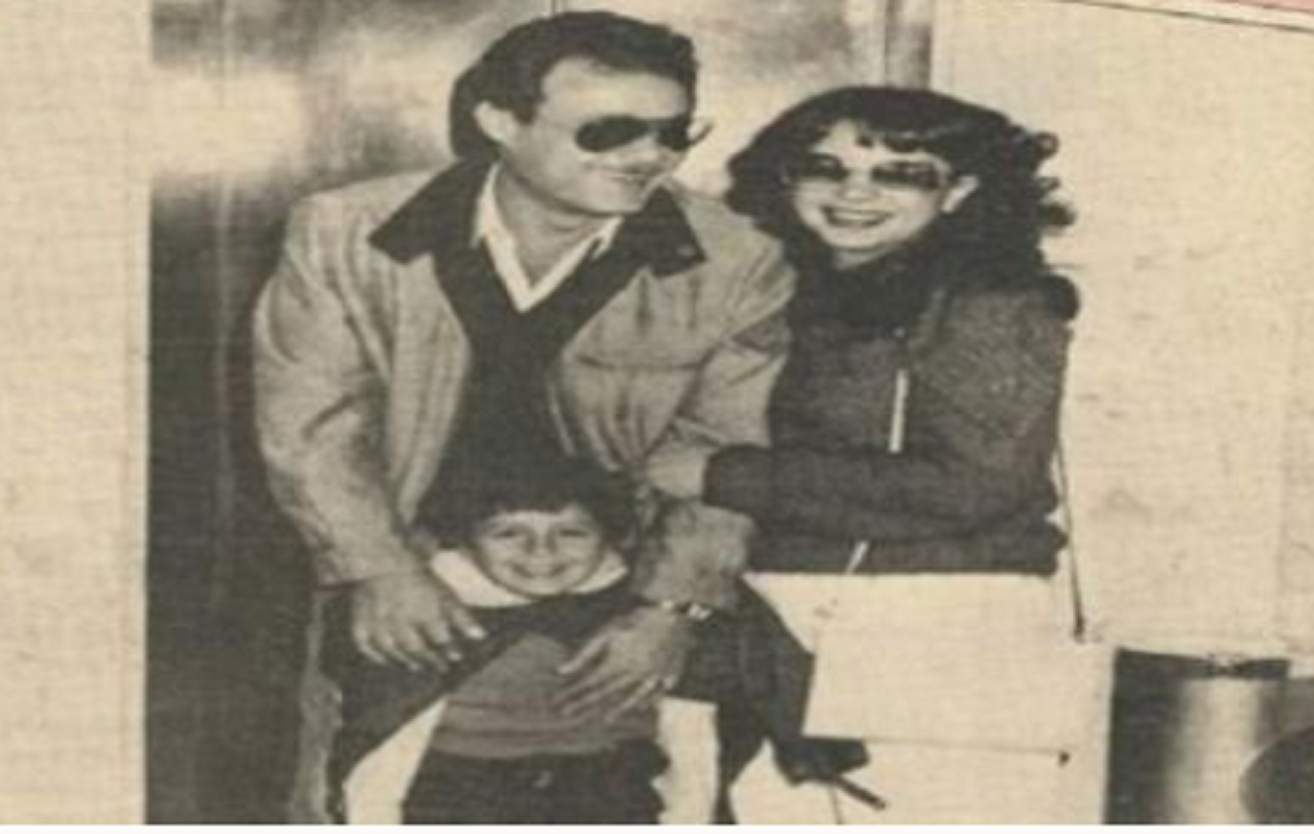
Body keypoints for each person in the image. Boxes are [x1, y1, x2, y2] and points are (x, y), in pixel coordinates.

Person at [252, 11, 795, 821]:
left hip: (624, 592)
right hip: (408, 578)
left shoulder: (736, 260)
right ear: (500, 121)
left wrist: (670, 609)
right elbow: (312, 424)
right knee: (374, 796)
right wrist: (381, 571)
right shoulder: (347, 233)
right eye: (609, 131)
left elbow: (728, 449)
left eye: (672, 132)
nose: (648, 156)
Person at [701, 86, 1083, 822]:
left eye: (900, 174)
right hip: (790, 617)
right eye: (826, 168)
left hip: (941, 620)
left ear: (960, 189)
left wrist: (723, 475)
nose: (854, 193)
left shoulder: (990, 300)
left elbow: (975, 484)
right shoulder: (783, 291)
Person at [322, 455, 869, 824]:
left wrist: (811, 745)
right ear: (466, 541)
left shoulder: (647, 610)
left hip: (610, 786)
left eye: (571, 533)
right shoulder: (434, 612)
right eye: (509, 534)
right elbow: (372, 727)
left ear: (610, 536)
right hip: (456, 792)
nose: (541, 553)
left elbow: (748, 666)